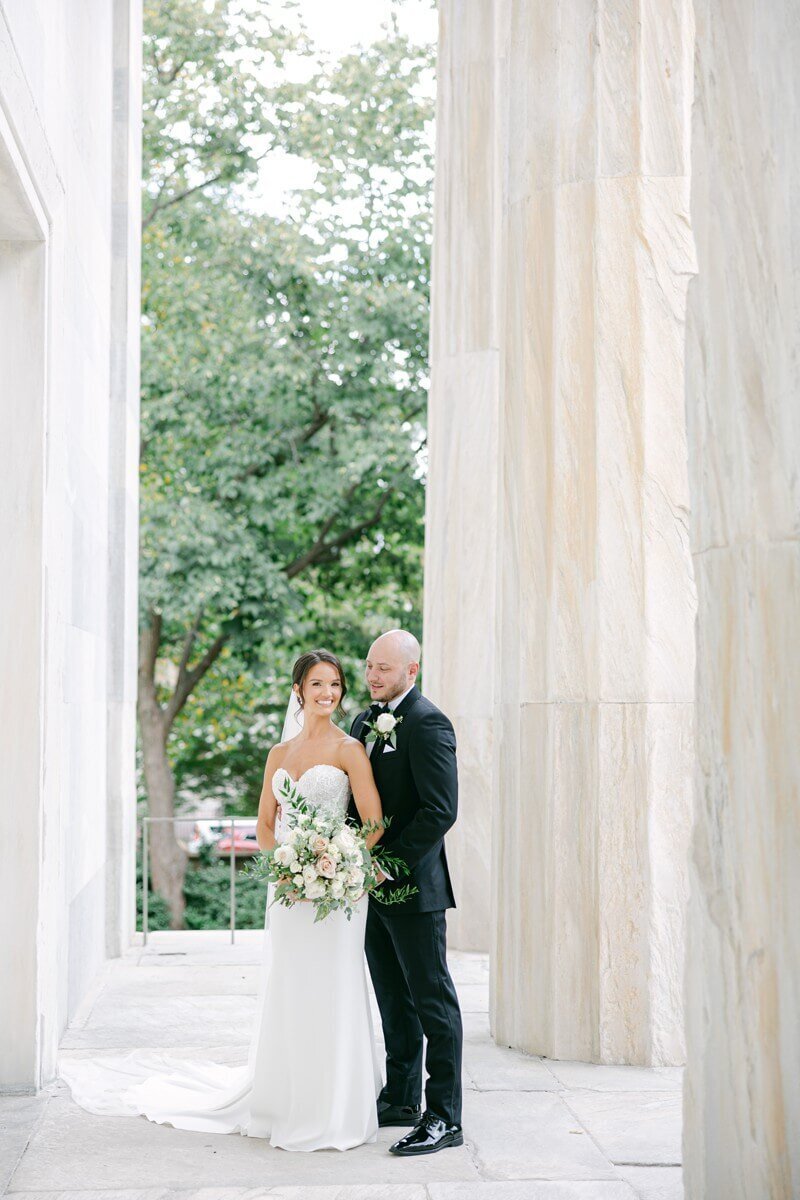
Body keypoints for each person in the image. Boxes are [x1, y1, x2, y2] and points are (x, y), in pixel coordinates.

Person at [59, 649, 387, 1152]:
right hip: (290, 891)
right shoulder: (279, 755)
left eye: (336, 685)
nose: (328, 694)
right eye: (318, 684)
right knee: (290, 986)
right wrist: (288, 869)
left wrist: (339, 869)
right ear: (298, 690)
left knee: (335, 986)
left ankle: (337, 1106)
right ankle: (287, 1100)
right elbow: (263, 824)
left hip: (338, 896)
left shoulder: (349, 750)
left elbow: (372, 824)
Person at [349, 629, 464, 1156]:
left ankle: (444, 1116)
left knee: (432, 1001)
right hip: (368, 887)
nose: (373, 676)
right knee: (393, 998)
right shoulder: (363, 722)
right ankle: (400, 1098)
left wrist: (386, 865)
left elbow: (439, 811)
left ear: (411, 672)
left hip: (414, 888)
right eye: (370, 666)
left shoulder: (428, 722)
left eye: (385, 669)